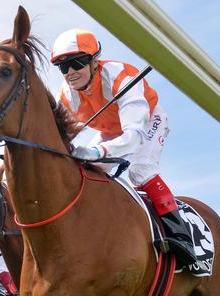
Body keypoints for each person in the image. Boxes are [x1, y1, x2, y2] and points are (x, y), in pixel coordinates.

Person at [50, 28, 197, 267]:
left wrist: (100, 152)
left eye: (77, 63)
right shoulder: (67, 95)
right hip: (110, 129)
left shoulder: (120, 77)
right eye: (63, 67)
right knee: (84, 171)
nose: (71, 72)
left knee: (141, 170)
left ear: (94, 62)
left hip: (147, 122)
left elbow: (134, 135)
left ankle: (180, 236)